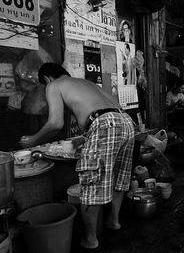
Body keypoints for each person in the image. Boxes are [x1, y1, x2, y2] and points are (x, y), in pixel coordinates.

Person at [19, 63, 135, 250]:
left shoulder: (53, 85)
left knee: (91, 182)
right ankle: (114, 221)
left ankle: (91, 239)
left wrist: (32, 140)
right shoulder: (85, 83)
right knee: (118, 176)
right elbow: (106, 114)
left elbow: (55, 123)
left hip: (105, 124)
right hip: (126, 121)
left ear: (47, 79)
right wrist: (85, 139)